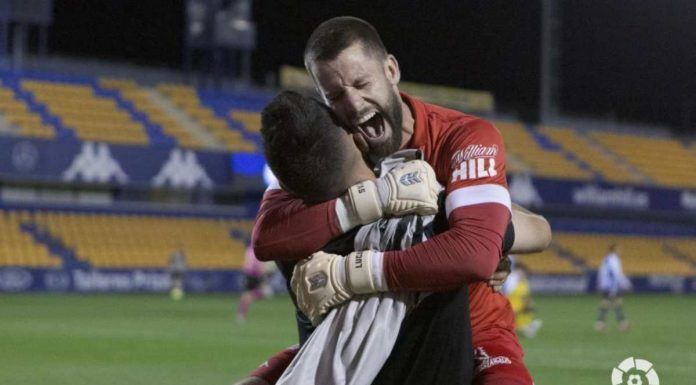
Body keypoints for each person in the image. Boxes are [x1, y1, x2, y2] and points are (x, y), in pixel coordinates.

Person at [248, 17, 551, 384]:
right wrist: (377, 198)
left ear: (391, 69)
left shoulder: (460, 136)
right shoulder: (331, 143)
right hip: (367, 326)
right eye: (336, 96)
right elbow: (268, 237)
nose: (354, 104)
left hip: (475, 331)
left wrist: (352, 273)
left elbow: (482, 248)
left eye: (361, 83)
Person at [595, 243, 631, 332]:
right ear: (614, 250)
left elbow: (602, 272)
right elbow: (616, 274)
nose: (620, 251)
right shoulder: (614, 259)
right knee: (616, 302)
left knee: (607, 303)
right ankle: (622, 324)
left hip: (605, 285)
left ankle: (601, 324)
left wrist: (600, 284)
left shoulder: (606, 259)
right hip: (611, 285)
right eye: (619, 249)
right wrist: (625, 283)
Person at [503, 260, 543, 338]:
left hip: (518, 304)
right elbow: (506, 292)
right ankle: (528, 328)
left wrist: (529, 303)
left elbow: (525, 295)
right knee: (511, 321)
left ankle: (528, 327)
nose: (521, 274)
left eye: (522, 272)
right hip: (510, 304)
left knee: (520, 319)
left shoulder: (524, 282)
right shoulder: (511, 280)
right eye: (519, 272)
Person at [237, 244, 277, 323]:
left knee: (247, 296)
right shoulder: (257, 250)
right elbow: (258, 266)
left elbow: (247, 263)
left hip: (249, 274)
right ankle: (242, 314)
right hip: (254, 275)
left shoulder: (249, 249)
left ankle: (241, 315)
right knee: (266, 293)